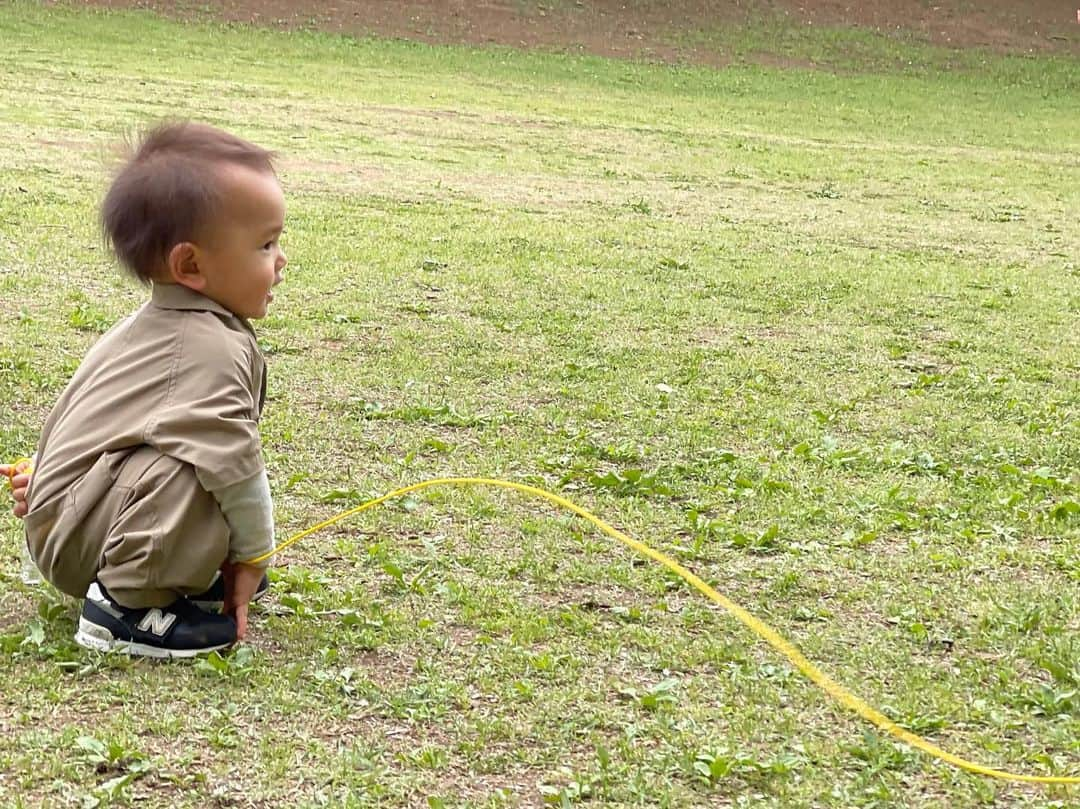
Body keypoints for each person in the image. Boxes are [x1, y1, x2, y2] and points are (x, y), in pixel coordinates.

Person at [0, 121, 287, 658]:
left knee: (197, 454)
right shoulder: (207, 347)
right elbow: (236, 466)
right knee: (204, 461)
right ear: (190, 265)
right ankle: (123, 609)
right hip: (79, 534)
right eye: (266, 244)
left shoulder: (164, 326)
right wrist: (253, 555)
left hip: (75, 518)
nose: (280, 260)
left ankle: (175, 572)